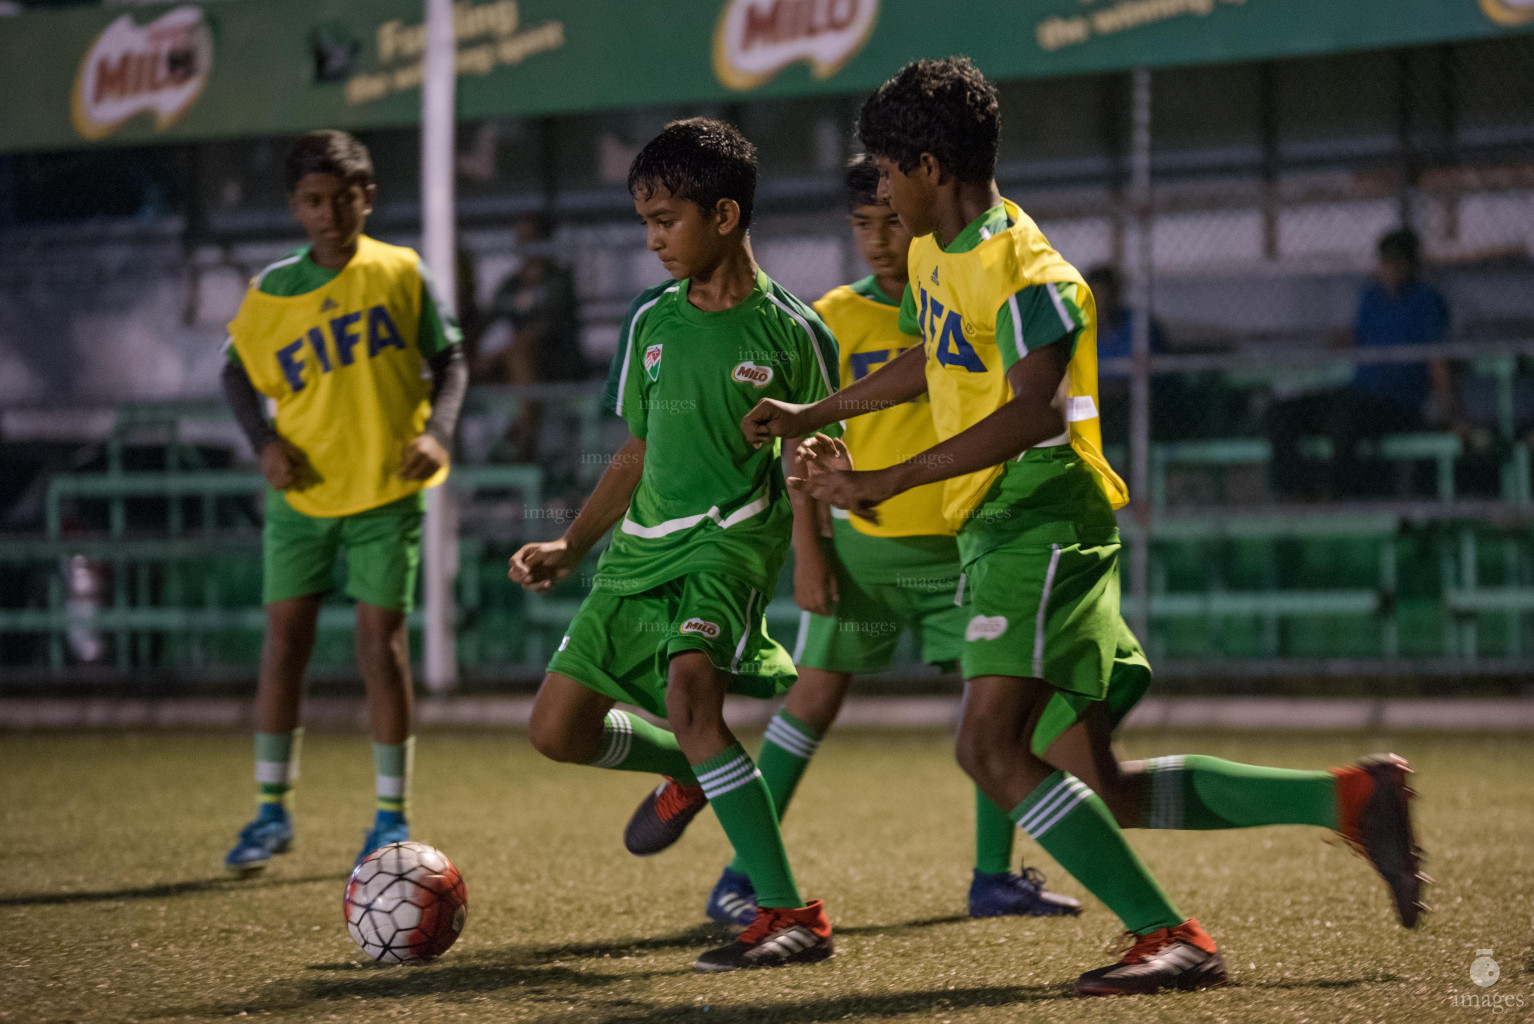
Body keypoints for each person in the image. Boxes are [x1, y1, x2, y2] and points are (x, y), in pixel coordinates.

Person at [744, 58, 1425, 997]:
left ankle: (1169, 936)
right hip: (1006, 525)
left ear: (930, 166)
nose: (882, 192)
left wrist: (888, 475)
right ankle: (1349, 797)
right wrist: (815, 413)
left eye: (888, 170)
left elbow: (1033, 412)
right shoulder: (943, 253)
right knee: (1098, 784)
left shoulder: (1030, 272)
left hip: (1043, 518)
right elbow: (932, 362)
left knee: (987, 747)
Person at [663, 154, 1078, 931]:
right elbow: (802, 444)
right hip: (864, 552)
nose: (880, 239)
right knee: (811, 701)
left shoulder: (957, 290)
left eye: (891, 219)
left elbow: (1014, 397)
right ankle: (742, 876)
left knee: (999, 712)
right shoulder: (830, 317)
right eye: (864, 224)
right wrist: (812, 549)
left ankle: (994, 876)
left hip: (963, 540)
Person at [506, 118, 837, 972]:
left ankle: (788, 914)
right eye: (645, 222)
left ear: (724, 215)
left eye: (667, 220)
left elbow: (816, 459)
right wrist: (572, 546)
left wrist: (811, 553)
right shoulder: (649, 322)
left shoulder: (794, 334)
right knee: (555, 731)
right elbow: (638, 451)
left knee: (694, 698)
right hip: (641, 550)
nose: (652, 240)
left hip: (729, 551)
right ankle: (691, 773)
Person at [219, 130, 467, 875]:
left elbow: (450, 358)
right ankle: (271, 812)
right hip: (303, 496)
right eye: (314, 200)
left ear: (369, 197)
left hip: (387, 489)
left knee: (379, 648)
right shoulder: (271, 293)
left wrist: (440, 434)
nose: (330, 213)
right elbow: (235, 374)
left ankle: (389, 816)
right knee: (285, 646)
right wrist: (263, 440)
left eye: (344, 197)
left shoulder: (401, 271)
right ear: (296, 206)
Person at [1269, 228, 1455, 498]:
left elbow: (1437, 360)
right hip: (1359, 393)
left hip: (1397, 404)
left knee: (1346, 419)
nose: (1390, 270)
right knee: (1281, 414)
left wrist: (1450, 409)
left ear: (1412, 265)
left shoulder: (1427, 302)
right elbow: (1357, 335)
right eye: (1386, 262)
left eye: (1398, 262)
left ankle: (1338, 493)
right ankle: (1296, 491)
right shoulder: (1371, 297)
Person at [476, 212, 588, 462]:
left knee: (519, 352)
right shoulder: (511, 283)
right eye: (521, 238)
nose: (526, 245)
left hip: (556, 367)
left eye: (532, 238)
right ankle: (459, 462)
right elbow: (487, 319)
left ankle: (523, 448)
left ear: (546, 240)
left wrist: (497, 354)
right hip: (512, 372)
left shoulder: (559, 279)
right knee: (457, 365)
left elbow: (543, 329)